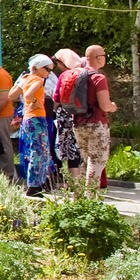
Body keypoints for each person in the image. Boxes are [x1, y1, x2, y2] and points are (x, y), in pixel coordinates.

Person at [73, 43, 119, 190]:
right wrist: (113, 106)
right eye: (104, 56)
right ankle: (91, 198)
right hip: (96, 124)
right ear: (99, 58)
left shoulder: (76, 75)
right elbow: (105, 105)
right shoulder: (98, 78)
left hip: (78, 124)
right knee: (97, 161)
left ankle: (78, 196)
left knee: (85, 161)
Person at [12, 53, 55, 196]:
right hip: (37, 118)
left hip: (27, 118)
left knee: (33, 151)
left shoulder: (26, 79)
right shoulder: (38, 80)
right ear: (38, 68)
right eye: (47, 69)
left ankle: (36, 183)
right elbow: (29, 94)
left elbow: (11, 95)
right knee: (40, 151)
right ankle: (35, 186)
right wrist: (35, 102)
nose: (49, 73)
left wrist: (19, 83)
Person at [51, 49, 84, 185]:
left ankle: (71, 182)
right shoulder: (83, 73)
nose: (58, 66)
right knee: (79, 146)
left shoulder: (65, 75)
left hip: (65, 114)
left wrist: (54, 110)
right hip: (82, 114)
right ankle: (82, 180)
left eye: (59, 63)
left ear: (64, 62)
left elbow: (57, 97)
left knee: (69, 147)